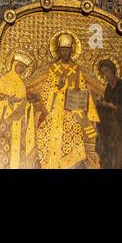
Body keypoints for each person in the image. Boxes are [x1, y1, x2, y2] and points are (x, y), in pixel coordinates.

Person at [30, 32, 100, 170]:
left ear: (71, 51)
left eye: (67, 50)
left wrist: (77, 95)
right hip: (55, 108)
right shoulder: (53, 69)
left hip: (72, 109)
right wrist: (57, 88)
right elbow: (45, 92)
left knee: (74, 134)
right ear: (59, 51)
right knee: (45, 134)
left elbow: (83, 90)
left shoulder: (76, 70)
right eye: (62, 50)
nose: (65, 53)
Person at [0, 53, 40, 169]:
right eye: (20, 66)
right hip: (5, 123)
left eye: (24, 67)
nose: (22, 69)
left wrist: (29, 105)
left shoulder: (21, 84)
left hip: (19, 123)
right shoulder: (4, 79)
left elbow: (23, 102)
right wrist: (7, 101)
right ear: (14, 64)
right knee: (4, 152)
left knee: (19, 154)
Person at [94, 59, 122, 169]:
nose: (106, 75)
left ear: (113, 70)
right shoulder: (108, 89)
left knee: (120, 157)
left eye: (107, 71)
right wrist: (101, 104)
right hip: (111, 127)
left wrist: (106, 104)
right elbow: (107, 107)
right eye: (103, 73)